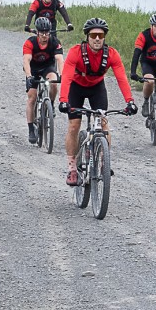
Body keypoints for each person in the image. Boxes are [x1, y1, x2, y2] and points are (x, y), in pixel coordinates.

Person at [58, 17, 138, 186]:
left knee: (103, 123)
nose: (97, 39)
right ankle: (72, 169)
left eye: (100, 35)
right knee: (74, 125)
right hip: (76, 87)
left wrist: (130, 101)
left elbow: (122, 78)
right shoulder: (75, 52)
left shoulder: (112, 55)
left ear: (104, 37)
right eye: (93, 35)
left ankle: (103, 161)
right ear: (87, 36)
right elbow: (66, 77)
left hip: (96, 88)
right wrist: (63, 100)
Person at [22, 17, 65, 143]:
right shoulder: (30, 42)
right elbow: (26, 60)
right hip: (33, 69)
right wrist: (29, 76)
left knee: (53, 83)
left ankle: (50, 104)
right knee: (32, 97)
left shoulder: (55, 42)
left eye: (47, 32)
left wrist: (62, 75)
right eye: (42, 33)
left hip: (48, 67)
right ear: (37, 32)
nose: (45, 35)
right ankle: (31, 128)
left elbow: (60, 60)